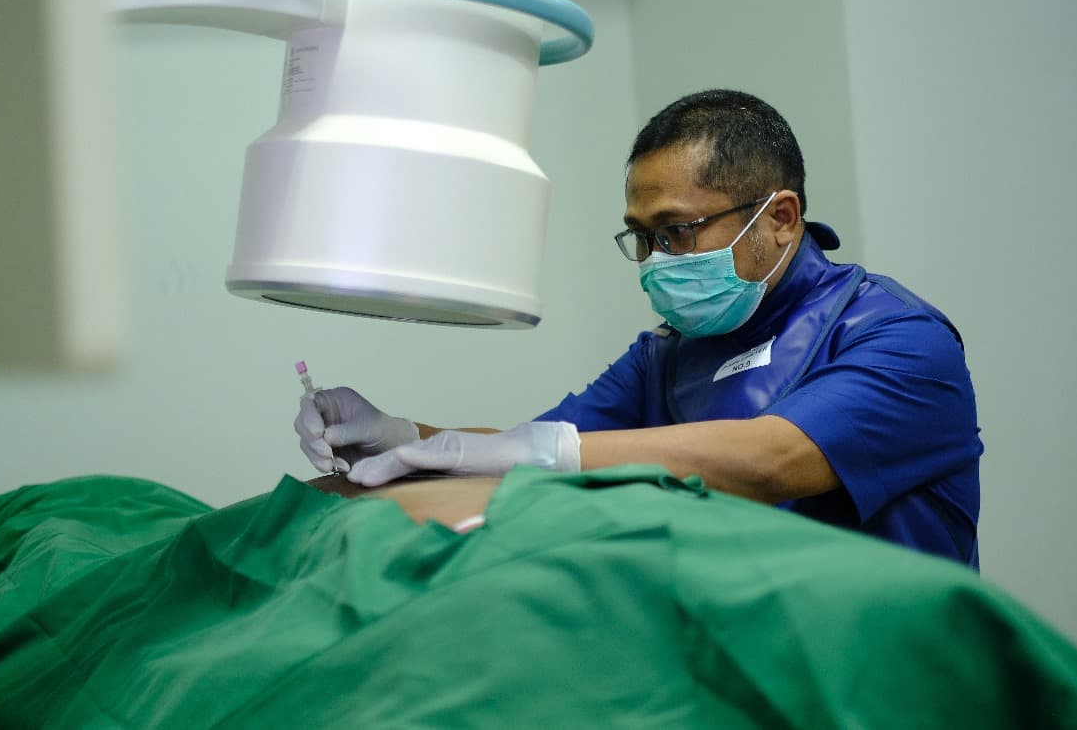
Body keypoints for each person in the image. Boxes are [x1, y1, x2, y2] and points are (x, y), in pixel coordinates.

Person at [295, 89, 984, 567]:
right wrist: (403, 437)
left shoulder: (899, 339)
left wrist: (513, 457)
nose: (657, 262)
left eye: (677, 231)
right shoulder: (668, 356)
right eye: (642, 238)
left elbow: (770, 460)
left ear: (780, 217)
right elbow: (535, 445)